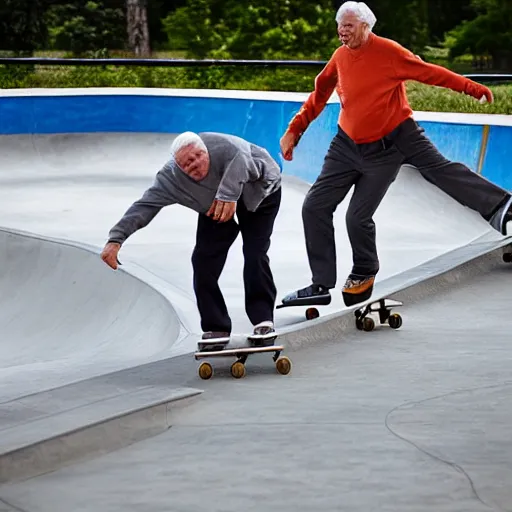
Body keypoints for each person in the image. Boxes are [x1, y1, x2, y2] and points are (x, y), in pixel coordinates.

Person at [279, 0, 512, 309]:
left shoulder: (389, 52)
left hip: (394, 140)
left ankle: (502, 205)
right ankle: (320, 283)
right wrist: (295, 129)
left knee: (364, 213)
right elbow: (320, 93)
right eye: (339, 25)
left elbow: (430, 73)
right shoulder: (340, 57)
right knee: (314, 205)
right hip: (346, 145)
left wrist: (472, 88)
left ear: (365, 26)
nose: (341, 31)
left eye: (348, 26)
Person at [101, 131, 282, 345]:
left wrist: (228, 194)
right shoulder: (170, 178)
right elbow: (145, 206)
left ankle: (263, 320)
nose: (195, 164)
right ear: (177, 166)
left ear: (206, 150)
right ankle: (216, 327)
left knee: (255, 253)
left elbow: (247, 161)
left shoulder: (225, 146)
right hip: (215, 207)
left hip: (261, 192)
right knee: (202, 261)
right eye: (187, 163)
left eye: (198, 156)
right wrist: (116, 239)